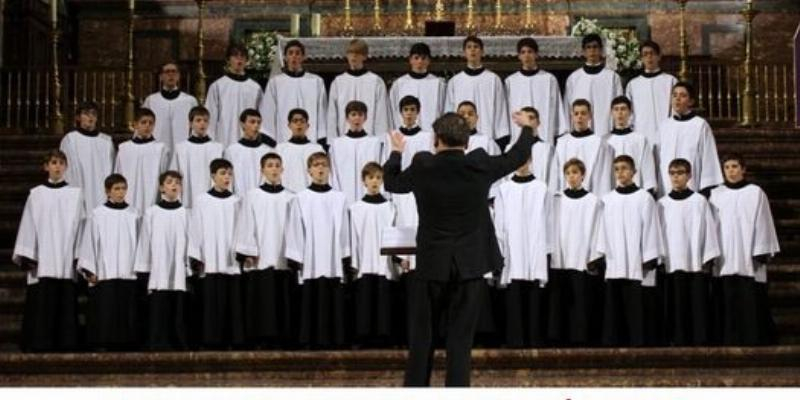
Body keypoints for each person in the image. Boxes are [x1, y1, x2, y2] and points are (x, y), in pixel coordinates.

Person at [383, 111, 536, 386]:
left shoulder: (423, 164)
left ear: (435, 139)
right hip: (469, 265)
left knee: (422, 339)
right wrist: (527, 128)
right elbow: (516, 156)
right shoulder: (478, 164)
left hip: (431, 264)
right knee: (460, 341)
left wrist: (396, 153)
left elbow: (392, 182)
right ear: (466, 143)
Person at [13, 150, 83, 352]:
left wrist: (78, 255)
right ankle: (40, 342)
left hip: (65, 256)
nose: (58, 166)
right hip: (43, 259)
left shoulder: (75, 194)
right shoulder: (36, 194)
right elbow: (28, 224)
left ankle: (66, 343)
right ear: (46, 166)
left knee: (66, 301)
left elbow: (81, 224)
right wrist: (28, 254)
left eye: (61, 163)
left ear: (66, 167)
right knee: (42, 302)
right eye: (54, 162)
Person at [709, 153, 780, 345]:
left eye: (734, 167)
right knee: (725, 299)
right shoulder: (716, 194)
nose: (731, 171)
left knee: (751, 300)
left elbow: (763, 222)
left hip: (749, 256)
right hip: (724, 256)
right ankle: (727, 339)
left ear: (743, 169)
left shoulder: (755, 192)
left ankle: (753, 338)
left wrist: (761, 250)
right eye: (727, 167)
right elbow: (711, 226)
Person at [285, 152, 350, 348]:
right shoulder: (300, 198)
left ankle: (336, 339)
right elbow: (295, 228)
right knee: (311, 297)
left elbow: (345, 229)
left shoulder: (339, 198)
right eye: (316, 165)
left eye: (324, 165)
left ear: (329, 169)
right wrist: (296, 257)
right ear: (309, 171)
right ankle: (309, 339)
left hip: (333, 259)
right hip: (310, 259)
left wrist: (345, 255)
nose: (320, 169)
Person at [597, 155, 663, 347]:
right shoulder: (608, 199)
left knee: (637, 306)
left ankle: (638, 343)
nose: (620, 173)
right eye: (617, 169)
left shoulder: (644, 198)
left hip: (636, 261)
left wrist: (649, 256)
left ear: (634, 172)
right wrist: (602, 255)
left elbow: (651, 227)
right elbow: (603, 229)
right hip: (615, 260)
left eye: (625, 168)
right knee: (614, 306)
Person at [234, 153, 297, 347]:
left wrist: (294, 253)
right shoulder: (252, 196)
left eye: (278, 165)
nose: (274, 169)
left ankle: (284, 338)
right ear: (262, 170)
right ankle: (260, 338)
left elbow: (294, 229)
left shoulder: (291, 197)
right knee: (262, 300)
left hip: (283, 256)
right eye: (270, 165)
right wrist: (249, 250)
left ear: (283, 170)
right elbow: (246, 223)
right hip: (261, 256)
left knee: (283, 299)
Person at [493, 154, 554, 348]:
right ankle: (515, 340)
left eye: (524, 161)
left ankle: (534, 339)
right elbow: (499, 222)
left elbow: (549, 219)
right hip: (512, 249)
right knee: (514, 293)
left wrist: (547, 248)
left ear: (530, 162)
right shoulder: (504, 189)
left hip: (535, 247)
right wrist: (501, 250)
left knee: (535, 293)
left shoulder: (542, 188)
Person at [658, 158, 720, 346]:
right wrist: (660, 258)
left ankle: (699, 338)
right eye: (672, 173)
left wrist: (707, 256)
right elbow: (658, 233)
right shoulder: (662, 203)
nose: (676, 177)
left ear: (689, 176)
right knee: (674, 304)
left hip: (694, 261)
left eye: (680, 173)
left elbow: (708, 228)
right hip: (672, 261)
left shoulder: (699, 201)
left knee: (696, 303)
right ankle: (676, 338)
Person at [77, 173, 140, 350]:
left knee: (126, 309)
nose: (121, 193)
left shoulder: (134, 213)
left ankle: (128, 342)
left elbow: (140, 243)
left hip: (128, 272)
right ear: (107, 191)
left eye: (123, 188)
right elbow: (89, 242)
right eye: (117, 189)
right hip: (105, 272)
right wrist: (89, 269)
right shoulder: (98, 214)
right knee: (106, 309)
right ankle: (104, 341)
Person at [188, 159, 243, 349]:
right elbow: (196, 228)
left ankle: (232, 340)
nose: (226, 177)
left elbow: (241, 229)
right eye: (222, 173)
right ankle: (210, 340)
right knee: (211, 303)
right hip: (210, 259)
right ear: (213, 176)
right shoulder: (202, 200)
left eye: (229, 173)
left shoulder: (237, 201)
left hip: (231, 260)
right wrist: (196, 255)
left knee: (232, 302)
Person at [548, 158, 604, 346]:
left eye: (575, 173)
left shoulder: (593, 201)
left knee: (581, 300)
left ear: (582, 175)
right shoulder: (557, 200)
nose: (571, 177)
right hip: (561, 257)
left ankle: (580, 338)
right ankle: (558, 338)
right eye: (568, 173)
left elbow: (598, 229)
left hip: (581, 256)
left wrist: (593, 256)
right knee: (560, 300)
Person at [134, 170, 189, 351]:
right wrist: (145, 268)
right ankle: (158, 341)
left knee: (179, 305)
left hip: (179, 270)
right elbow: (145, 241)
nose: (174, 185)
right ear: (161, 187)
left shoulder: (187, 213)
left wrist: (190, 265)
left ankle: (179, 341)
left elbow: (193, 240)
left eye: (178, 183)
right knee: (159, 306)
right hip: (159, 269)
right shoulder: (152, 213)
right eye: (170, 182)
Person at [349, 162, 398, 346]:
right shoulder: (356, 208)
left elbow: (394, 233)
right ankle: (364, 336)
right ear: (364, 181)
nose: (375, 181)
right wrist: (354, 262)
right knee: (364, 299)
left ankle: (384, 337)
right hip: (364, 261)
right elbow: (354, 236)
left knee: (384, 300)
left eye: (378, 177)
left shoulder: (390, 207)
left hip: (384, 263)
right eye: (371, 178)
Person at [657, 82, 723, 196]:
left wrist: (706, 187)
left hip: (692, 188)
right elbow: (657, 158)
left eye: (682, 95)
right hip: (666, 189)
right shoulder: (664, 126)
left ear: (691, 101)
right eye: (674, 95)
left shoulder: (700, 125)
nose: (677, 99)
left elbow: (708, 157)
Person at [445, 36, 510, 149]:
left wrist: (500, 138)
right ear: (464, 52)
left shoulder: (493, 79)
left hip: (487, 140)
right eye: (469, 47)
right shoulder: (455, 81)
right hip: (461, 141)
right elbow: (450, 111)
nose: (473, 50)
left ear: (482, 51)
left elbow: (500, 110)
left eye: (476, 47)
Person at [259, 40, 327, 145]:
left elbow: (322, 112)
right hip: (283, 140)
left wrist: (321, 138)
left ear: (303, 57)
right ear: (285, 57)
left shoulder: (316, 81)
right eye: (290, 53)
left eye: (297, 53)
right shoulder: (276, 82)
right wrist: (270, 140)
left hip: (311, 140)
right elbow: (269, 111)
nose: (294, 56)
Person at [505, 37, 568, 145]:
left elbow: (556, 107)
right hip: (518, 135)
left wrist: (557, 130)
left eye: (530, 52)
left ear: (536, 54)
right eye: (523, 52)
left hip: (543, 134)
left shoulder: (549, 79)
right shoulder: (511, 81)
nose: (526, 55)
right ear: (519, 56)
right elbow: (506, 110)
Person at [326, 39, 389, 145]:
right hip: (344, 140)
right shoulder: (338, 82)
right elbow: (332, 114)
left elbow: (381, 114)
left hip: (370, 141)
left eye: (357, 53)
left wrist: (381, 140)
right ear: (346, 55)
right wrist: (332, 142)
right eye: (350, 53)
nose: (353, 57)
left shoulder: (376, 81)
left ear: (364, 56)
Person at [59, 101, 115, 213]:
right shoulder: (70, 140)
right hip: (79, 192)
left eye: (93, 114)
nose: (90, 117)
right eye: (86, 113)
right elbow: (67, 171)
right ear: (78, 118)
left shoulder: (106, 142)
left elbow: (112, 170)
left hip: (101, 194)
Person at [564, 33, 623, 138]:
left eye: (595, 47)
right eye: (588, 47)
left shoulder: (612, 77)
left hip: (606, 132)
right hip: (580, 133)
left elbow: (619, 106)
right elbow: (568, 107)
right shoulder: (574, 78)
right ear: (583, 52)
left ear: (601, 50)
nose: (592, 51)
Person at [206, 43, 263, 147]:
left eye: (242, 56)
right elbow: (211, 116)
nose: (239, 60)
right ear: (228, 60)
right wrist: (211, 144)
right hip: (224, 138)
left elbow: (261, 115)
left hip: (249, 140)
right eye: (235, 56)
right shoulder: (218, 86)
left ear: (247, 60)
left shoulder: (255, 88)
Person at [115, 108, 170, 214]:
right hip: (127, 198)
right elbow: (118, 175)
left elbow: (164, 178)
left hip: (152, 199)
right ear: (135, 124)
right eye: (143, 122)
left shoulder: (161, 149)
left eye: (151, 123)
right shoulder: (124, 148)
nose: (147, 126)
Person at [329, 100, 384, 204]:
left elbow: (380, 171)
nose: (357, 118)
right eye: (353, 114)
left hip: (369, 197)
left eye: (360, 114)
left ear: (365, 118)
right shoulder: (337, 144)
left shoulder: (374, 143)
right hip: (343, 197)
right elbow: (333, 174)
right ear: (347, 118)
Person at [554, 99, 614, 194]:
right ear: (572, 116)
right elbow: (556, 174)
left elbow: (603, 178)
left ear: (590, 116)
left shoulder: (600, 143)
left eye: (583, 113)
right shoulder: (562, 142)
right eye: (576, 114)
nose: (579, 117)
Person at [170, 106, 224, 209]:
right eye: (198, 120)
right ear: (190, 123)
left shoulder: (217, 148)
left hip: (213, 202)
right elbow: (174, 177)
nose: (202, 123)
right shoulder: (181, 148)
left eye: (205, 120)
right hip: (188, 201)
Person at [624, 41, 677, 145]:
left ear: (659, 56)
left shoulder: (670, 81)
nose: (649, 57)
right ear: (641, 58)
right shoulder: (633, 84)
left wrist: (672, 128)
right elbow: (629, 112)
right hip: (641, 133)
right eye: (645, 54)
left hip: (666, 133)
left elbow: (674, 109)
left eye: (652, 53)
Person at [388, 43, 446, 132]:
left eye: (423, 58)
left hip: (431, 134)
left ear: (429, 61)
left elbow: (442, 109)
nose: (420, 61)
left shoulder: (438, 84)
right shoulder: (399, 84)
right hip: (404, 134)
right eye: (416, 58)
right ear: (410, 60)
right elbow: (393, 110)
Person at [142, 62, 199, 151]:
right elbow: (142, 126)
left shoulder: (189, 101)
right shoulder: (151, 101)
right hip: (156, 149)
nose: (171, 75)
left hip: (182, 148)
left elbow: (196, 127)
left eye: (174, 71)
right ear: (161, 77)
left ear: (178, 76)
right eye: (167, 72)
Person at [607, 95, 658, 193]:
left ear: (630, 112)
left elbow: (647, 168)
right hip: (612, 193)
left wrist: (649, 189)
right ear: (612, 113)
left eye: (623, 109)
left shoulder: (640, 139)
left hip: (636, 192)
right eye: (616, 109)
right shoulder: (605, 141)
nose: (620, 113)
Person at [274, 108, 325, 193]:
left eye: (302, 121)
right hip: (286, 196)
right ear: (289, 125)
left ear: (307, 125)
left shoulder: (317, 149)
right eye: (295, 121)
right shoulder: (280, 149)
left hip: (311, 196)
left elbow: (323, 175)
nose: (299, 124)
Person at [224, 109, 274, 195]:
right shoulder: (231, 151)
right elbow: (228, 179)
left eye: (258, 122)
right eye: (252, 122)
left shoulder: (267, 151)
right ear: (242, 124)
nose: (256, 125)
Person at [508, 106, 557, 190]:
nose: (528, 122)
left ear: (538, 122)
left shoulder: (547, 149)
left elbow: (553, 178)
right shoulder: (510, 148)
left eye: (531, 118)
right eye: (525, 118)